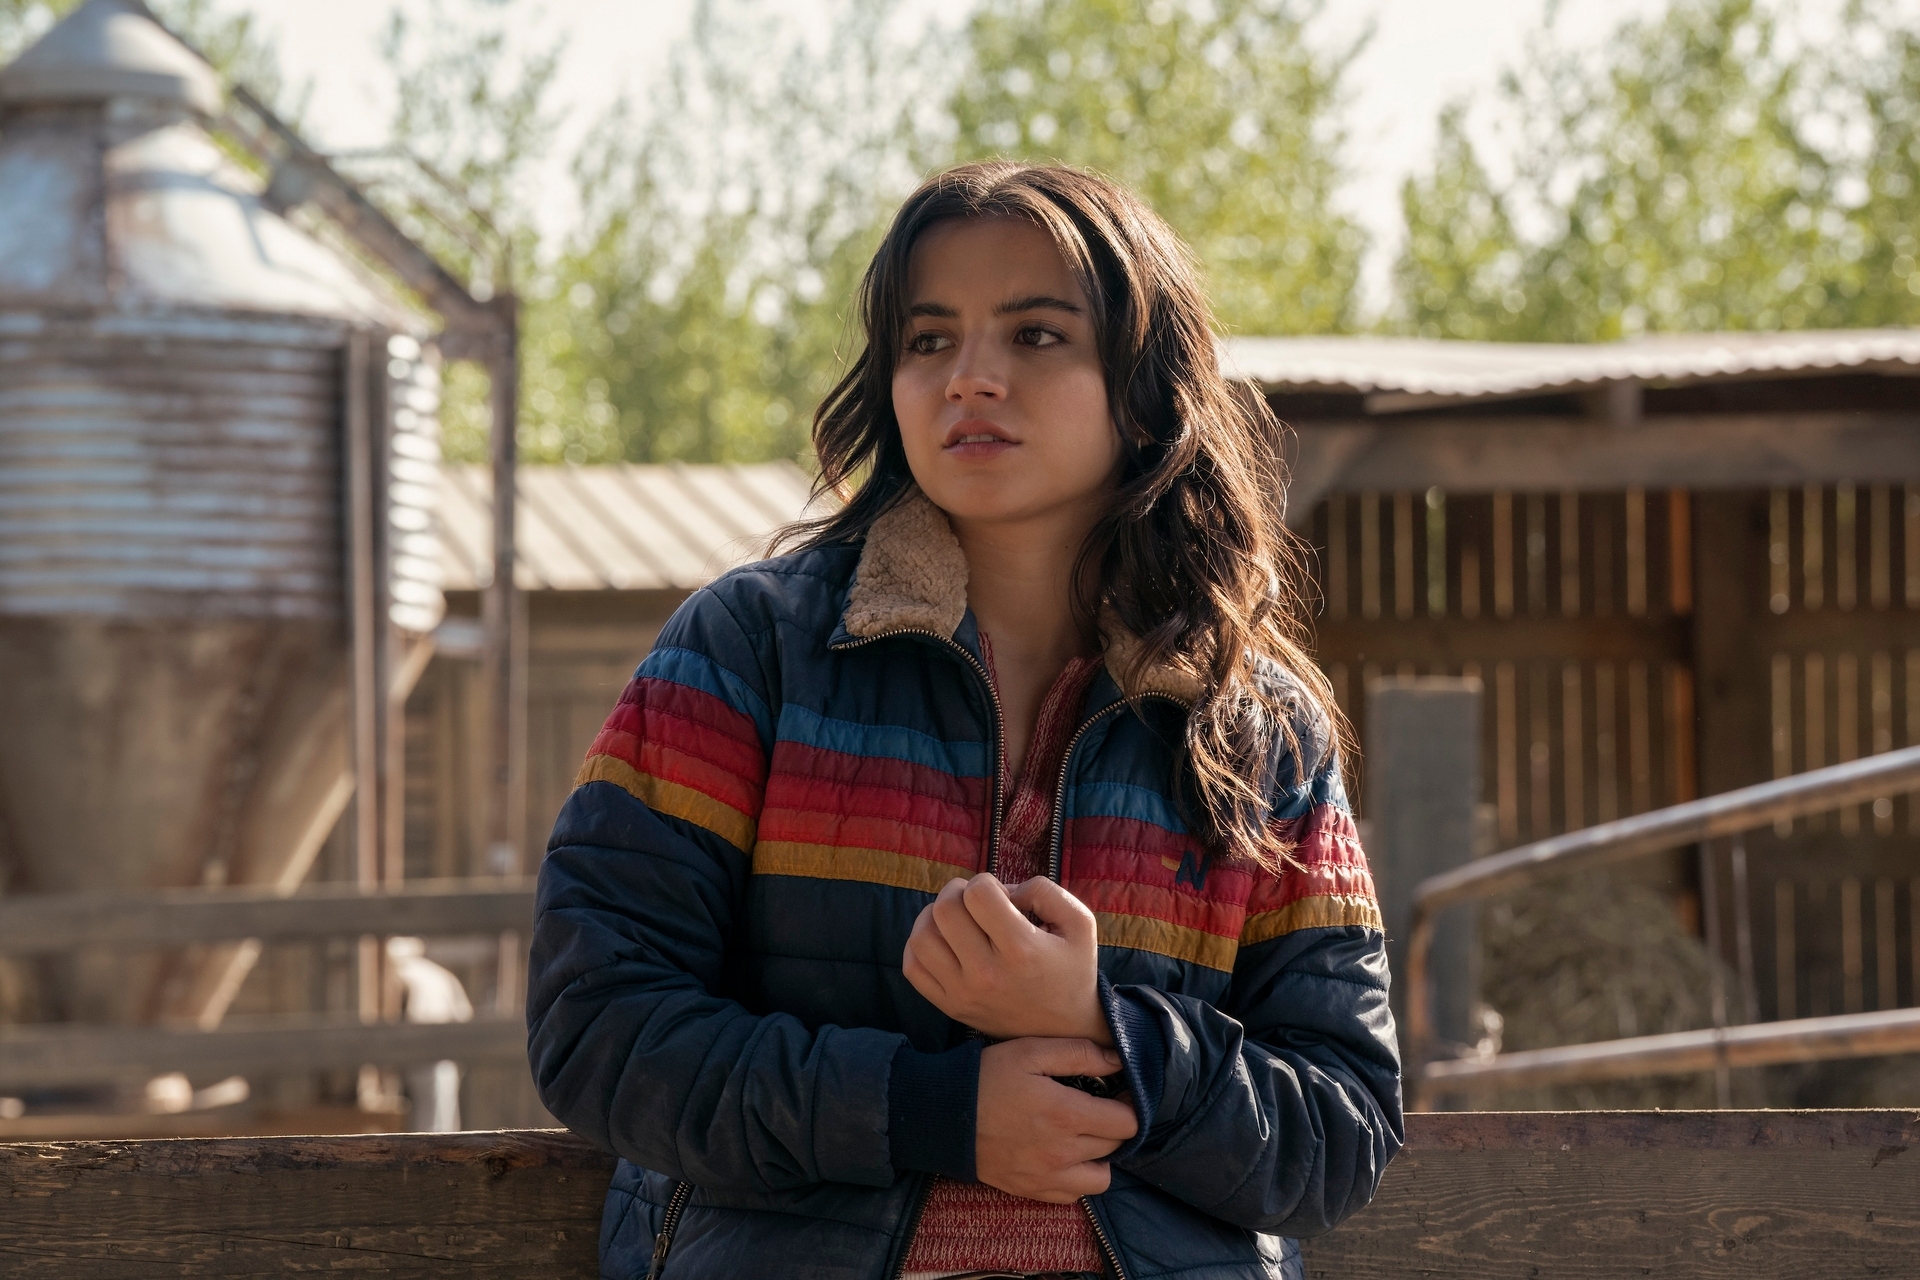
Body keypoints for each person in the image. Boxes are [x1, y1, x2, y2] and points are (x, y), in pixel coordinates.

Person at [527, 161, 1401, 1280]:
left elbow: (1342, 1127)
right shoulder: (749, 652)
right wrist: (931, 1110)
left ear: (1145, 390)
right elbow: (600, 1026)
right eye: (929, 340)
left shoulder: (1257, 728)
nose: (969, 378)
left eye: (1036, 335)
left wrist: (1104, 1025)